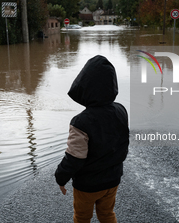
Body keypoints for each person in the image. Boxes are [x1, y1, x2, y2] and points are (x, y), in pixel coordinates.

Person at [55, 55, 130, 223]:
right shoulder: (121, 110)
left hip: (87, 185)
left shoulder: (80, 122)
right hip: (112, 180)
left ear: (84, 86)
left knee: (82, 217)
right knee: (107, 214)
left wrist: (61, 177)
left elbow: (74, 157)